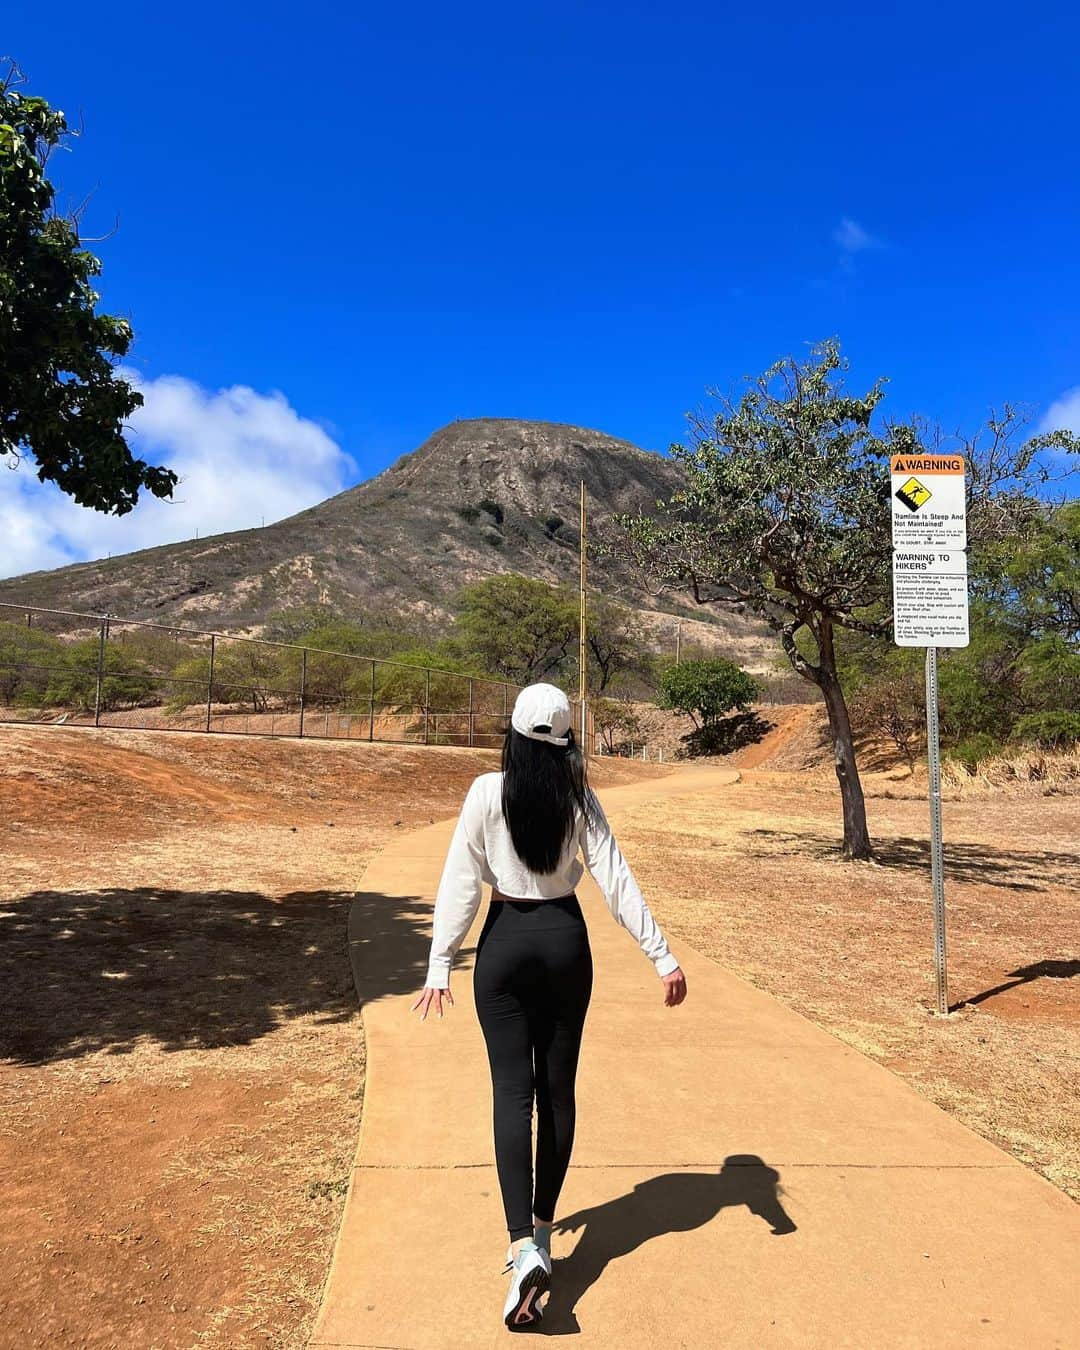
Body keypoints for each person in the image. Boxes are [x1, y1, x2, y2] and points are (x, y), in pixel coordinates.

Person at [410, 681, 687, 1329]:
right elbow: (615, 877)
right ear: (566, 739)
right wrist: (661, 955)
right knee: (556, 1092)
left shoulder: (485, 791)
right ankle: (543, 1229)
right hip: (565, 942)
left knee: (513, 1094)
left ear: (510, 732)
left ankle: (522, 1247)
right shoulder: (578, 795)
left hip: (504, 947)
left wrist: (439, 962)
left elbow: (459, 880)